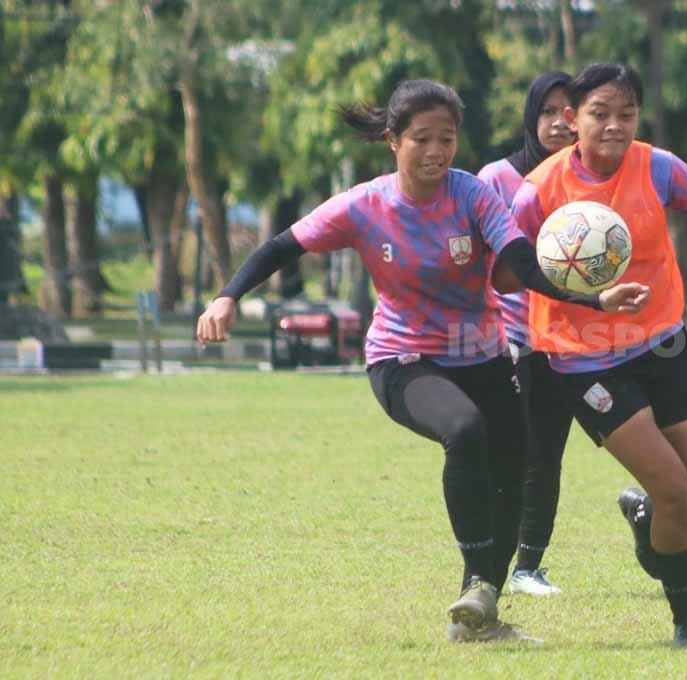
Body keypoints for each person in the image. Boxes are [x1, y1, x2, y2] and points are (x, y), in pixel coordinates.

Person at [194, 79, 648, 643]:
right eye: (422, 139)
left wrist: (593, 298)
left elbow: (522, 263)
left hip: (483, 358)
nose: (436, 151)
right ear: (393, 141)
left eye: (447, 139)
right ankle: (478, 581)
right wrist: (227, 296)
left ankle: (479, 609)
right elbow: (280, 247)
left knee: (514, 473)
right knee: (464, 429)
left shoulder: (473, 195)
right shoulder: (365, 205)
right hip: (402, 359)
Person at [510, 63, 687, 647]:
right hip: (584, 360)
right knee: (675, 491)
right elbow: (504, 274)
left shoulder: (659, 167)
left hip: (664, 344)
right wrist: (565, 273)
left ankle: (646, 519)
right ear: (572, 119)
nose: (614, 125)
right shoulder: (539, 188)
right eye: (600, 114)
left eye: (627, 114)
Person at [477, 71, 576, 596]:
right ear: (531, 117)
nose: (560, 123)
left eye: (569, 112)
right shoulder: (497, 178)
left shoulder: (586, 180)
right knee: (512, 452)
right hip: (510, 337)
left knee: (548, 453)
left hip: (568, 339)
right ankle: (490, 559)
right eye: (548, 111)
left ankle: (528, 567)